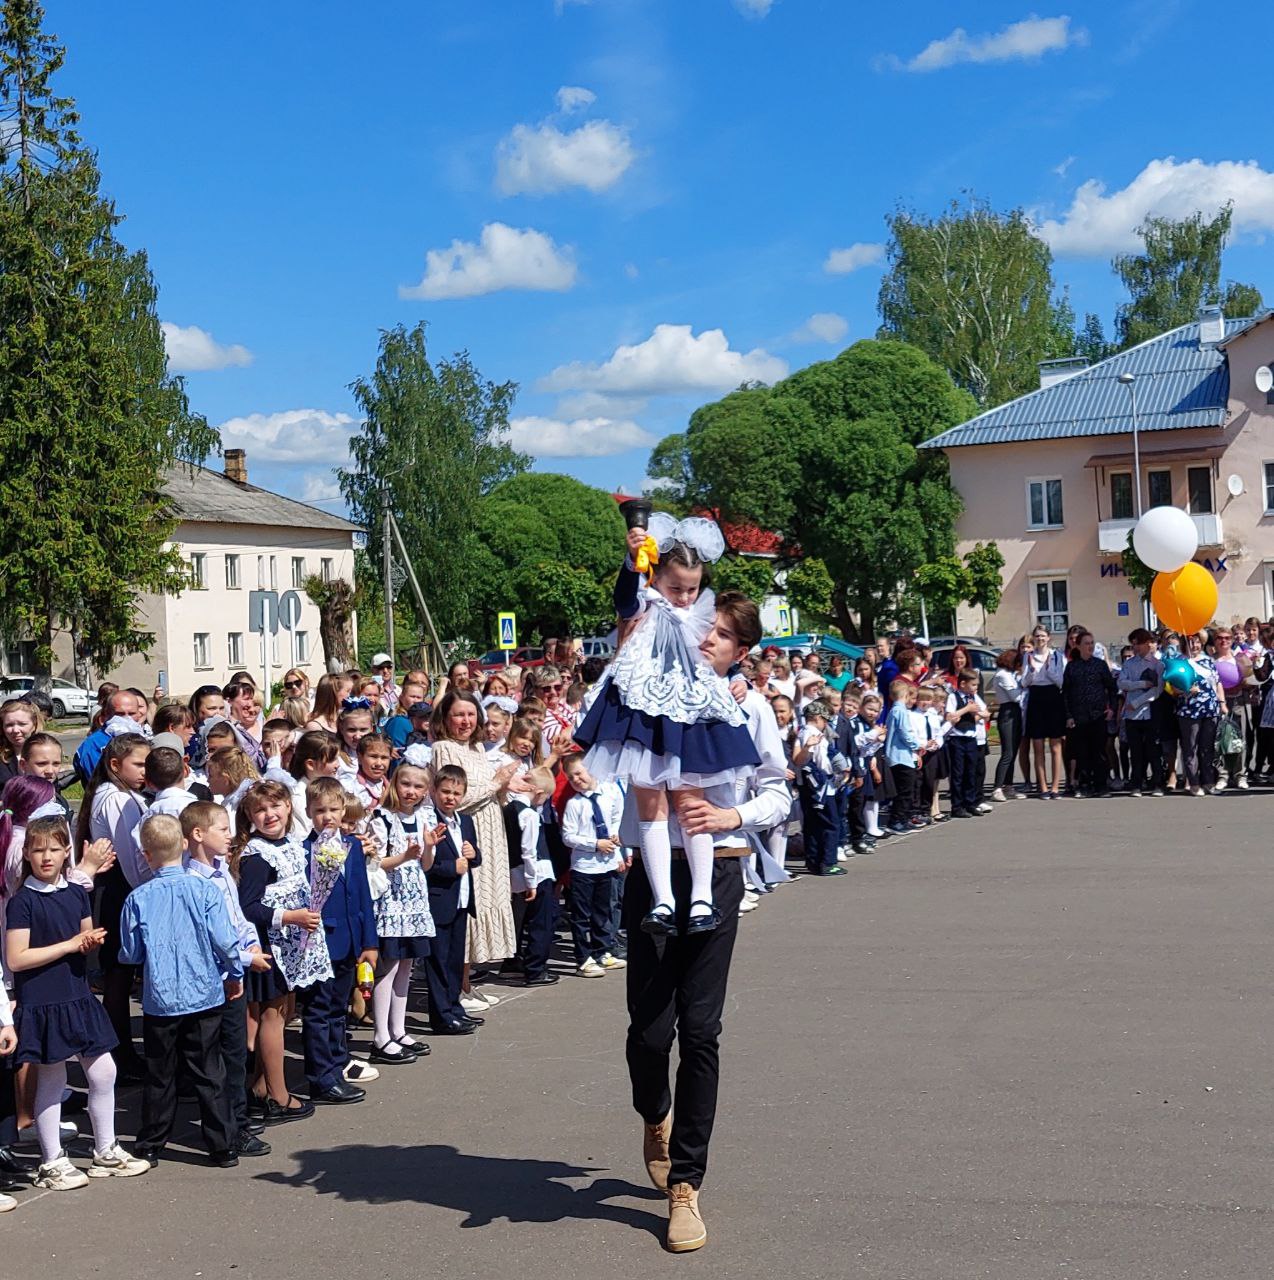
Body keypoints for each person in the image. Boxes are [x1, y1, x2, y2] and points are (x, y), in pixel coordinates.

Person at [617, 589, 785, 1253]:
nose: (704, 641)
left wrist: (731, 817)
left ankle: (685, 1186)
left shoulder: (752, 708)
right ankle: (653, 1114)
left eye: (718, 636)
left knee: (702, 1031)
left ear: (740, 651)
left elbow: (776, 789)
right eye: (700, 630)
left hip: (716, 871)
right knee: (650, 1034)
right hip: (652, 877)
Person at [574, 514, 760, 938]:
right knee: (650, 800)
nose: (683, 596)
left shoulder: (701, 612)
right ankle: (662, 898)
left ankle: (700, 897)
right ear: (656, 578)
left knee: (689, 799)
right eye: (675, 587)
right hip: (644, 707)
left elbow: (720, 655)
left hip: (691, 709)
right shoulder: (647, 603)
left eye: (691, 589)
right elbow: (624, 599)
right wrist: (630, 559)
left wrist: (737, 680)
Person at [4, 816, 150, 1189]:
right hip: (43, 1000)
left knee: (104, 1072)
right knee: (52, 1080)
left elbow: (84, 935)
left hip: (77, 995)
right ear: (27, 854)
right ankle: (51, 1162)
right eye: (38, 850)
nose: (46, 856)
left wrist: (89, 942)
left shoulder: (74, 892)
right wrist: (70, 945)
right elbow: (17, 958)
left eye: (54, 848)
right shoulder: (23, 901)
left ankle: (106, 1151)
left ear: (67, 851)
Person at [118, 814, 242, 1168]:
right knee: (209, 1068)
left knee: (161, 1072)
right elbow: (225, 939)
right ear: (185, 844)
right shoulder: (204, 890)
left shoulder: (138, 898)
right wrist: (233, 971)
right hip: (204, 990)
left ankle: (152, 1142)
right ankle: (223, 1144)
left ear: (146, 854)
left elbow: (130, 952)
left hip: (162, 997)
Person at [234, 780, 332, 1124]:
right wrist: (288, 916)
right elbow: (248, 907)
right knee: (272, 1018)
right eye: (260, 810)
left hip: (292, 946)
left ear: (289, 807)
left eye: (276, 806)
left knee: (286, 1010)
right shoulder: (257, 856)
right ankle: (278, 1094)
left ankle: (262, 1085)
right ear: (249, 816)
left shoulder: (291, 844)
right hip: (268, 946)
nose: (269, 814)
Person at [180, 802, 273, 1158]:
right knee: (213, 1058)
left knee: (235, 1054)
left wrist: (251, 943)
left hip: (236, 973)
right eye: (222, 828)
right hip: (213, 980)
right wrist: (246, 958)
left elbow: (238, 919)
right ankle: (222, 1129)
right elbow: (205, 936)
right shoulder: (192, 882)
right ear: (198, 834)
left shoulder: (223, 873)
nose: (230, 835)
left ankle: (237, 1122)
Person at [429, 691, 524, 1007]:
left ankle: (465, 982)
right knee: (467, 904)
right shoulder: (443, 749)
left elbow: (486, 791)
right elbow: (458, 796)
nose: (466, 721)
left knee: (482, 899)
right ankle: (457, 987)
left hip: (489, 831)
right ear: (446, 718)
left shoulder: (476, 748)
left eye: (471, 714)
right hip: (467, 831)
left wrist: (507, 788)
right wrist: (497, 782)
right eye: (459, 714)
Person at [299, 778, 381, 1094]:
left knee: (338, 1008)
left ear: (344, 809)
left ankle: (337, 1064)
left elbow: (362, 898)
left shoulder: (354, 847)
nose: (328, 817)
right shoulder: (304, 850)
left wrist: (369, 943)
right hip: (321, 942)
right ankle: (322, 1077)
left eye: (334, 809)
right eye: (320, 811)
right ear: (308, 812)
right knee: (320, 1009)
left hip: (350, 940)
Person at [366, 763, 437, 1064]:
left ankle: (399, 1028)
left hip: (415, 901)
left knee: (406, 967)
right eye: (405, 784)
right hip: (391, 900)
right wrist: (405, 856)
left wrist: (429, 848)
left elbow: (426, 865)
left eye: (418, 787)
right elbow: (376, 862)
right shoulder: (382, 817)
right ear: (395, 784)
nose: (411, 791)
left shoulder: (425, 817)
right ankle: (380, 1034)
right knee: (389, 967)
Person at [422, 764, 482, 1035]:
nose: (450, 798)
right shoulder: (429, 821)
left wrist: (473, 853)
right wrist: (450, 868)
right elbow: (425, 866)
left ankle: (454, 1007)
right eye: (445, 792)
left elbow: (473, 859)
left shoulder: (465, 820)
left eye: (456, 793)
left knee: (456, 959)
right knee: (439, 961)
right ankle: (441, 1016)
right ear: (434, 791)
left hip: (461, 899)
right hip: (439, 900)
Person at [561, 754, 628, 978]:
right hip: (584, 867)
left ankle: (603, 950)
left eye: (579, 773)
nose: (576, 780)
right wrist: (594, 844)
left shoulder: (610, 792)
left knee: (604, 911)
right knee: (582, 914)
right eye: (571, 778)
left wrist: (617, 848)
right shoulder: (574, 804)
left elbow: (617, 817)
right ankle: (583, 958)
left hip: (606, 864)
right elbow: (568, 836)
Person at [505, 765, 561, 987]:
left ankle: (517, 961)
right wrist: (532, 881)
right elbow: (529, 851)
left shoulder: (509, 809)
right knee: (542, 923)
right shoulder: (528, 814)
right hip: (536, 874)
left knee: (522, 920)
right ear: (539, 792)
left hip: (516, 873)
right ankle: (536, 969)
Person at [1062, 630, 1118, 797]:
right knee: (1081, 752)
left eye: (1092, 643)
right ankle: (1084, 785)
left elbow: (1112, 688)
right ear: (1078, 646)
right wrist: (1068, 715)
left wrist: (1112, 708)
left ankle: (1101, 785)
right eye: (1086, 643)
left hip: (1098, 715)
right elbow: (1065, 694)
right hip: (1079, 717)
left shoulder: (1099, 665)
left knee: (1099, 751)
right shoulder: (1072, 667)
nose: (1090, 646)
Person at [1176, 630, 1226, 797]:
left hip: (1210, 708)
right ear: (1185, 644)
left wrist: (1222, 703)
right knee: (1190, 747)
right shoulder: (1179, 662)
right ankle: (1194, 783)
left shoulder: (1208, 661)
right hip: (1189, 709)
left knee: (1207, 748)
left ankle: (1209, 781)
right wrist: (1186, 689)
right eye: (1191, 642)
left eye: (1197, 642)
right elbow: (1172, 687)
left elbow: (1217, 682)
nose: (1195, 646)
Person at [1118, 629, 1165, 796]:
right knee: (1135, 751)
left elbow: (1157, 690)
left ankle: (1158, 783)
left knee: (1153, 750)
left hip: (1149, 712)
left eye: (1138, 643)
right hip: (1132, 716)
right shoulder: (1129, 664)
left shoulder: (1158, 664)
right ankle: (1136, 783)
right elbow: (1122, 683)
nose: (1135, 647)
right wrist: (1141, 684)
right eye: (1133, 643)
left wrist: (1137, 702)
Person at [1022, 624, 1066, 799]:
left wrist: (1049, 670)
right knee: (1038, 745)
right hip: (1036, 698)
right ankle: (1043, 787)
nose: (1040, 639)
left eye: (1043, 636)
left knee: (1056, 746)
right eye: (1037, 636)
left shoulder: (1057, 656)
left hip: (1053, 698)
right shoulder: (1028, 656)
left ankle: (1055, 787)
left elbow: (1062, 682)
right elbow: (1024, 682)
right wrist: (1032, 671)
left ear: (1048, 637)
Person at [990, 649, 1024, 802]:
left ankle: (1008, 785)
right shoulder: (1002, 674)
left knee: (1013, 752)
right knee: (1007, 753)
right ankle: (997, 787)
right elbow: (1016, 696)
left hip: (1015, 713)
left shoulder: (1010, 674)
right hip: (1008, 712)